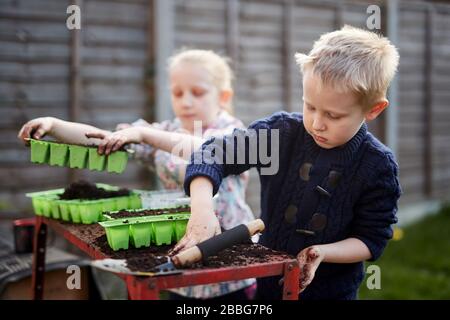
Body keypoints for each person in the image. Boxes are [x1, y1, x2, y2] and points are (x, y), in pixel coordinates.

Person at [175, 26, 402, 300]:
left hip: (331, 294)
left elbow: (371, 238)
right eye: (310, 106)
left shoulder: (377, 166)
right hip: (268, 288)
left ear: (373, 109)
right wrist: (202, 209)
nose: (317, 123)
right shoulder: (282, 135)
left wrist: (323, 253)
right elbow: (213, 154)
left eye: (334, 115)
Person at [18, 49, 256, 300]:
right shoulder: (166, 130)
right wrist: (55, 126)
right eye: (177, 93)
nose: (186, 102)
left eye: (197, 93)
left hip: (230, 254)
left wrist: (144, 134)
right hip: (180, 250)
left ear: (223, 96)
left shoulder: (232, 132)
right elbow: (104, 139)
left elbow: (208, 151)